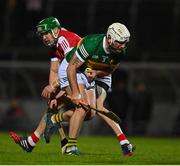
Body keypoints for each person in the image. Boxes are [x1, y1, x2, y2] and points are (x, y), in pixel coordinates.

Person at [45, 22, 135, 156]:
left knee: (92, 113)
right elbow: (72, 67)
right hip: (73, 68)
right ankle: (71, 147)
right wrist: (75, 93)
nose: (123, 46)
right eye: (120, 42)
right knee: (83, 106)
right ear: (110, 38)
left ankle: (55, 119)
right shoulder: (91, 43)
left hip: (96, 71)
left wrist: (96, 73)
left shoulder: (120, 52)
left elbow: (109, 70)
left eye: (125, 43)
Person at [10, 16, 81, 152]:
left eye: (45, 33)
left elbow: (73, 67)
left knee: (84, 111)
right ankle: (32, 142)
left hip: (87, 77)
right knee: (54, 103)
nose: (43, 37)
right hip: (75, 77)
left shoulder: (64, 39)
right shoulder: (54, 45)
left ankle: (61, 136)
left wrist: (54, 87)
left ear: (55, 30)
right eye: (41, 35)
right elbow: (54, 70)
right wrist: (53, 94)